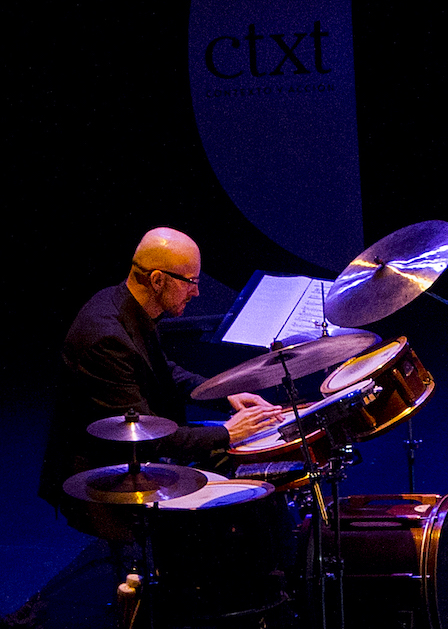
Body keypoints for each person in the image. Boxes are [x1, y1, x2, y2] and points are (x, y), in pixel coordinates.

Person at [39, 228, 281, 534]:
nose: (196, 292)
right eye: (191, 281)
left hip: (136, 455)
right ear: (157, 280)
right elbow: (144, 437)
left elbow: (160, 368)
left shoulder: (127, 305)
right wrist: (226, 433)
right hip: (106, 474)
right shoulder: (105, 337)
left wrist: (225, 394)